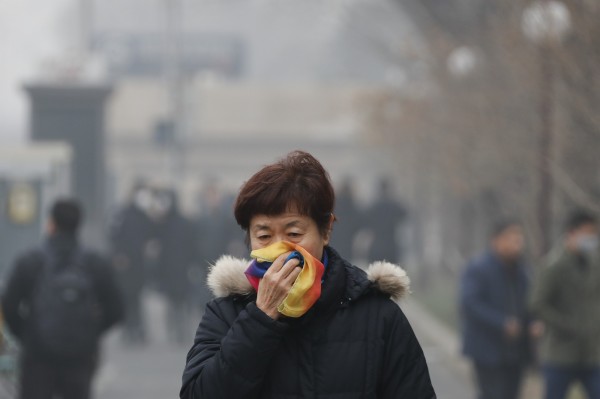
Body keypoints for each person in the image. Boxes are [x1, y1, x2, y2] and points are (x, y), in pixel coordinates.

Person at [180, 150, 436, 399]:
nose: (281, 250)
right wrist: (260, 319)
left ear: (326, 231)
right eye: (264, 236)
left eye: (293, 234)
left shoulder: (378, 316)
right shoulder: (226, 314)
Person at [1, 198, 124, 399]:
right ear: (79, 225)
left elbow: (9, 304)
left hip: (37, 355)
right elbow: (116, 310)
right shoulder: (94, 263)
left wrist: (27, 333)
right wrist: (90, 331)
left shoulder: (30, 261)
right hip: (79, 356)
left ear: (51, 224)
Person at [459, 220, 536, 399]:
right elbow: (470, 303)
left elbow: (528, 303)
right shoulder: (479, 268)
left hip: (516, 349)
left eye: (519, 238)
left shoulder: (522, 270)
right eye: (511, 238)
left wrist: (532, 322)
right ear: (496, 240)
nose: (516, 243)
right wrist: (502, 323)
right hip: (487, 348)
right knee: (492, 394)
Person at [530, 210, 600, 399]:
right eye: (588, 233)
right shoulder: (554, 265)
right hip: (560, 353)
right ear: (572, 233)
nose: (593, 238)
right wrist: (566, 324)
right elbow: (538, 303)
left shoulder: (594, 263)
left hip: (591, 353)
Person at [109, 182, 154, 345]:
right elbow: (115, 236)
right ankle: (129, 328)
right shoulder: (124, 214)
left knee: (137, 297)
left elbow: (151, 235)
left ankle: (137, 329)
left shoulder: (145, 216)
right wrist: (118, 255)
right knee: (128, 297)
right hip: (126, 264)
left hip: (139, 264)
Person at [366, 178, 407, 264]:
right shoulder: (394, 205)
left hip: (376, 246)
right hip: (391, 245)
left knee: (376, 274)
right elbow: (404, 214)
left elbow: (366, 220)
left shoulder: (373, 206)